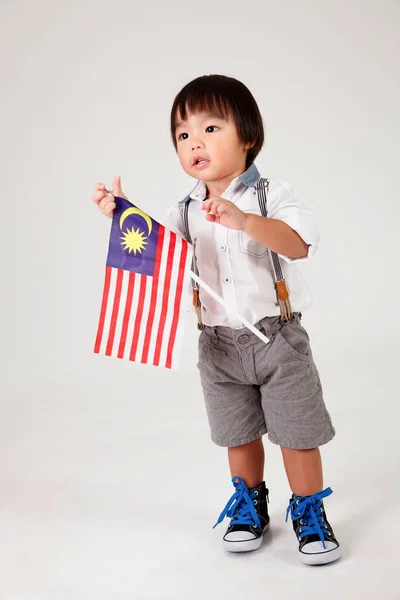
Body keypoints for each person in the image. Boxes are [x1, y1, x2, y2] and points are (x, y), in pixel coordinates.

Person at [92, 74, 340, 566]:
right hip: (219, 346)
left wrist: (244, 220)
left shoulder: (270, 195)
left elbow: (299, 243)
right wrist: (121, 215)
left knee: (296, 434)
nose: (195, 142)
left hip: (276, 339)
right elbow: (156, 253)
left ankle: (309, 509)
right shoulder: (183, 210)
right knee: (238, 434)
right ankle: (249, 504)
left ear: (248, 136)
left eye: (210, 128)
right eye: (183, 135)